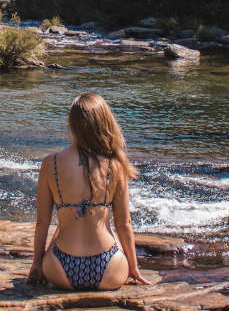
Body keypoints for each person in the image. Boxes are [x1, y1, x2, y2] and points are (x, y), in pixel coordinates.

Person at [27, 93, 152, 290]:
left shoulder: (50, 163)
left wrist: (36, 264)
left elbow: (42, 222)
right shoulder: (116, 166)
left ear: (72, 125)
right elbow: (124, 223)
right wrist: (133, 267)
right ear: (105, 124)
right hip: (109, 267)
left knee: (61, 228)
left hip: (60, 267)